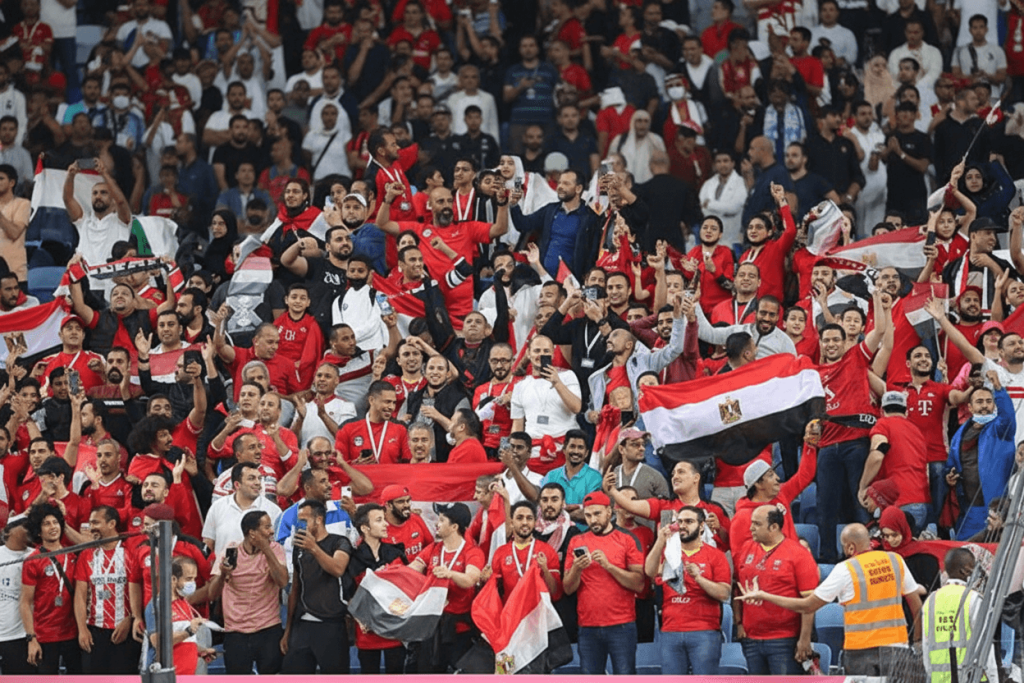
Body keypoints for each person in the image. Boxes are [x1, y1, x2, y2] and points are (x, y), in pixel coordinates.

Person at [739, 523, 922, 676]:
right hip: (898, 648)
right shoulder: (895, 560)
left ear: (850, 547)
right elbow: (916, 605)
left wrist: (764, 595)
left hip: (860, 652)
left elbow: (808, 605)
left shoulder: (846, 568)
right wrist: (917, 642)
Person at [564, 491, 645, 675]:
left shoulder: (627, 539)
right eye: (588, 515)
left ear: (609, 512)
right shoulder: (577, 541)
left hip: (622, 625)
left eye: (597, 514)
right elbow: (568, 588)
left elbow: (639, 584)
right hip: (588, 626)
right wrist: (577, 568)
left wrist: (609, 567)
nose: (593, 520)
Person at [734, 505, 818, 675]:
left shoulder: (798, 554)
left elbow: (810, 603)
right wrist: (739, 623)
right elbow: (737, 588)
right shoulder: (746, 548)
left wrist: (804, 639)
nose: (751, 528)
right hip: (751, 639)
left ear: (773, 527)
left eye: (757, 524)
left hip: (784, 640)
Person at [208, 510, 288, 674]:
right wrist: (223, 573)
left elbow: (282, 581)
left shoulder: (276, 549)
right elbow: (212, 594)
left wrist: (266, 549)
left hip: (268, 628)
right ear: (252, 533)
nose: (272, 531)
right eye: (267, 527)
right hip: (235, 631)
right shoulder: (230, 549)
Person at [408, 502, 484, 672]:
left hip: (458, 631)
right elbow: (412, 570)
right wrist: (391, 572)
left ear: (454, 526)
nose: (437, 523)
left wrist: (450, 574)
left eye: (442, 520)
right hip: (431, 627)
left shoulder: (472, 552)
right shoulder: (434, 549)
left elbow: (471, 579)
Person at [280, 499, 353, 674]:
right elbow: (296, 587)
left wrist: (314, 548)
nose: (300, 524)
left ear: (318, 519)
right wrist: (288, 630)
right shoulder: (299, 547)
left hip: (332, 624)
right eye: (299, 520)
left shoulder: (340, 542)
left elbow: (337, 568)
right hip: (302, 624)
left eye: (304, 520)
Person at [946, 373, 1016, 539]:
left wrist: (998, 389)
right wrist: (950, 476)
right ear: (969, 408)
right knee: (966, 554)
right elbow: (953, 463)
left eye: (988, 401)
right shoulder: (960, 434)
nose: (985, 406)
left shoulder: (1000, 429)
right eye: (979, 402)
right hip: (969, 509)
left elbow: (1008, 418)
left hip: (995, 508)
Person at [73, 506, 139, 674]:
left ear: (112, 524)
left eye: (96, 522)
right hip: (94, 631)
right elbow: (80, 596)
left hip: (125, 629)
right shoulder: (86, 554)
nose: (91, 527)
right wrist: (82, 629)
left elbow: (140, 590)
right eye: (90, 523)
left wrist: (131, 618)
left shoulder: (131, 552)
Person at [921, 547, 999, 683]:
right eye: (973, 568)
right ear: (964, 571)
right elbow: (984, 644)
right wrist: (993, 679)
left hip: (939, 679)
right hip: (970, 678)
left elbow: (926, 644)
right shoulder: (973, 599)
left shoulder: (930, 601)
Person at [20, 502, 80, 674]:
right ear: (38, 531)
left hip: (73, 633)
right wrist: (31, 638)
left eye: (55, 522)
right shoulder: (32, 560)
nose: (53, 527)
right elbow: (25, 602)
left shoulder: (73, 555)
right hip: (45, 635)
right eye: (46, 524)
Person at [347, 503, 407, 674]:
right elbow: (348, 593)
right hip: (367, 629)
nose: (386, 524)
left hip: (394, 629)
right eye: (379, 520)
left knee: (396, 672)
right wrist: (361, 619)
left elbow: (405, 590)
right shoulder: (353, 559)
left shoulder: (395, 553)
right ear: (365, 528)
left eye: (384, 519)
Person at [151, 556, 215, 675]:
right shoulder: (159, 605)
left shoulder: (184, 603)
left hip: (189, 674)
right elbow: (157, 642)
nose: (193, 583)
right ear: (174, 579)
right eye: (188, 579)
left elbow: (185, 642)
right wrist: (189, 631)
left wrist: (202, 651)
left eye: (194, 579)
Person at [489, 501, 561, 599]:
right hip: (510, 611)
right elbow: (494, 593)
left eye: (529, 518)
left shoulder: (547, 551)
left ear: (535, 522)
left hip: (537, 611)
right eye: (519, 518)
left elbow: (556, 593)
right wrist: (486, 579)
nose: (525, 522)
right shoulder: (500, 553)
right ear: (511, 523)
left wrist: (545, 569)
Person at [0, 518, 33, 674]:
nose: (29, 529)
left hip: (20, 636)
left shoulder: (35, 556)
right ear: (8, 531)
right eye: (24, 526)